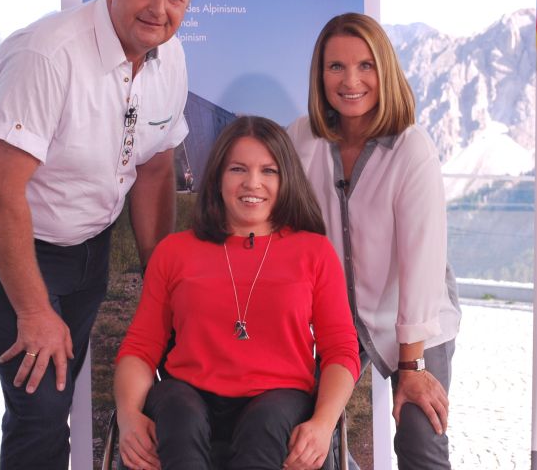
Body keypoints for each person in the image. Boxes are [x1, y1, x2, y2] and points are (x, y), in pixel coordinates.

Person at [0, 0, 200, 469]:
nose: (159, 8)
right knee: (41, 404)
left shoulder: (170, 57)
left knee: (54, 393)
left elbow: (155, 167)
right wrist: (34, 310)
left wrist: (165, 280)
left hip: (88, 239)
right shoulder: (47, 55)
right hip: (3, 234)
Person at [114, 116, 360, 470]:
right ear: (217, 178)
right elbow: (140, 347)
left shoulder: (314, 252)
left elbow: (340, 351)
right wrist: (127, 416)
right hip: (188, 396)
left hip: (279, 400)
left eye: (269, 171)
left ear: (286, 177)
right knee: (176, 409)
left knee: (266, 424)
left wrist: (323, 425)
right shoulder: (174, 252)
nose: (253, 183)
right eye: (238, 169)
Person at [288, 13, 462, 469]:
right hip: (330, 324)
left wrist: (413, 369)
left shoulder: (411, 148)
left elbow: (423, 266)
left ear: (384, 71)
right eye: (336, 67)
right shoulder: (300, 139)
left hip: (415, 322)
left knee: (421, 442)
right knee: (306, 441)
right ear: (319, 74)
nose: (351, 81)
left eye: (366, 66)